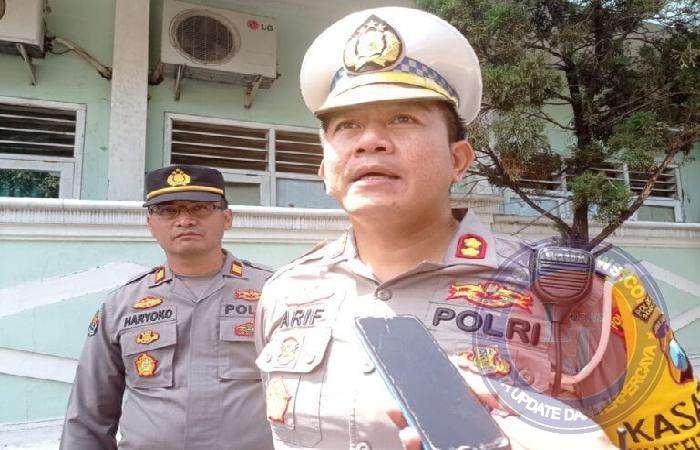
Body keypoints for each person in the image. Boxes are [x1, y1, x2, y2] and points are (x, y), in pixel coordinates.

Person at [255, 6, 698, 450]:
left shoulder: (580, 297)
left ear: (458, 160)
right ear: (324, 169)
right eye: (347, 125)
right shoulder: (285, 292)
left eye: (403, 119)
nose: (369, 141)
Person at [61, 165, 273, 449]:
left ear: (227, 218)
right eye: (168, 211)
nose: (185, 220)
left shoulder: (275, 292)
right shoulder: (122, 305)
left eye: (200, 208)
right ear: (150, 223)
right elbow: (88, 416)